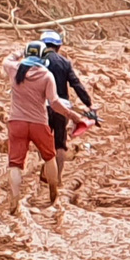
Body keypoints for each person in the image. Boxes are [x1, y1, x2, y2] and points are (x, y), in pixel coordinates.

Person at [3, 39, 81, 214]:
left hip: (17, 122)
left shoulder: (14, 69)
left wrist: (18, 53)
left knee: (15, 164)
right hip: (39, 122)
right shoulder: (46, 76)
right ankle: (53, 190)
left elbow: (6, 59)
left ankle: (14, 200)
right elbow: (54, 103)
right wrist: (73, 115)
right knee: (49, 157)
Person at [38, 29, 97, 178]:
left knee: (43, 140)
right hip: (62, 107)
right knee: (60, 142)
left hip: (40, 107)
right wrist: (88, 103)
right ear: (58, 47)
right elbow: (76, 84)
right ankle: (57, 178)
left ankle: (45, 168)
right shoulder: (64, 62)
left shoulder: (36, 62)